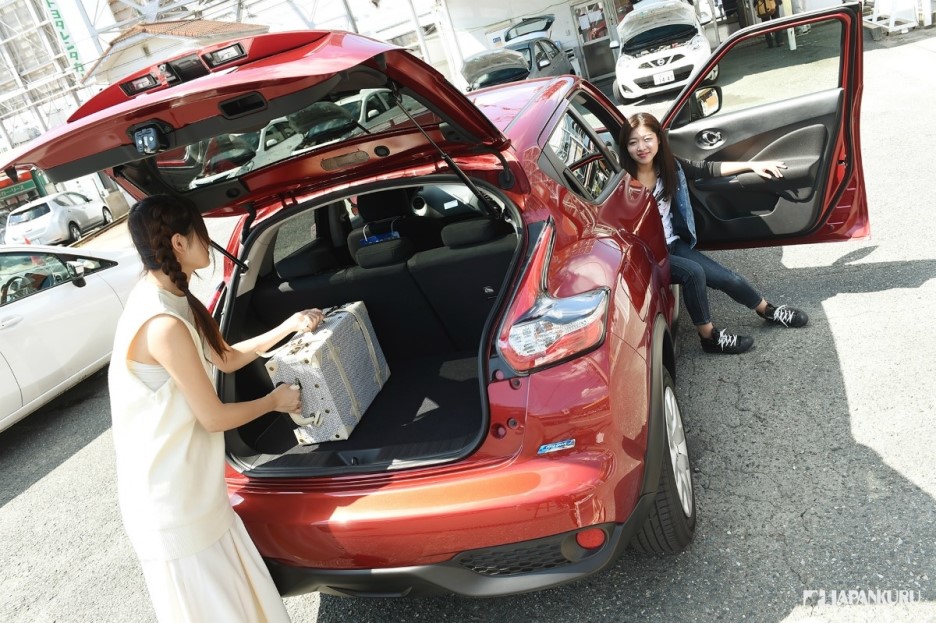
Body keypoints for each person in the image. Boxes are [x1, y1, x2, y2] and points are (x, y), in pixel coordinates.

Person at [109, 194, 325, 622]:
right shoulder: (162, 323)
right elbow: (213, 418)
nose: (209, 242)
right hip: (173, 503)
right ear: (178, 243)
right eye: (201, 233)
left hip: (193, 492)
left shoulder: (168, 296)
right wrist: (274, 402)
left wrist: (288, 325)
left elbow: (224, 358)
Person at [620, 113, 808, 354]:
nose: (641, 147)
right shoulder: (623, 181)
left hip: (672, 245)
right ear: (625, 147)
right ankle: (709, 337)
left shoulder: (669, 167)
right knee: (694, 272)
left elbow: (706, 169)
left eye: (647, 139)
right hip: (648, 255)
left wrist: (752, 165)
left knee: (728, 278)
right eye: (633, 142)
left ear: (658, 139)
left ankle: (769, 311)